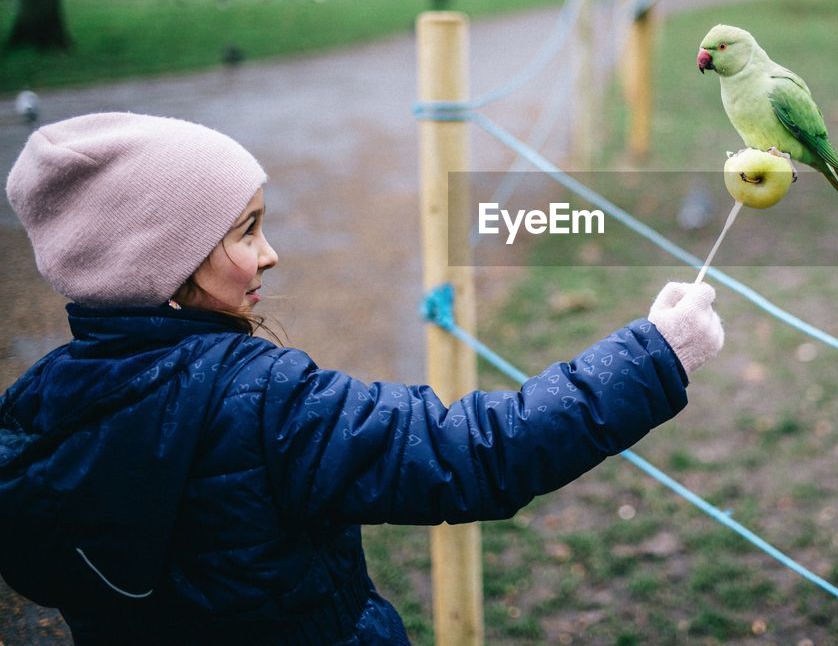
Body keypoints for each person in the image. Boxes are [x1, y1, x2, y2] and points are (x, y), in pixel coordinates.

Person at [0, 112, 725, 645]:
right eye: (246, 230)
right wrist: (653, 355)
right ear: (163, 262)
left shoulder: (39, 413)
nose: (271, 252)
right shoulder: (266, 403)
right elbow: (472, 452)